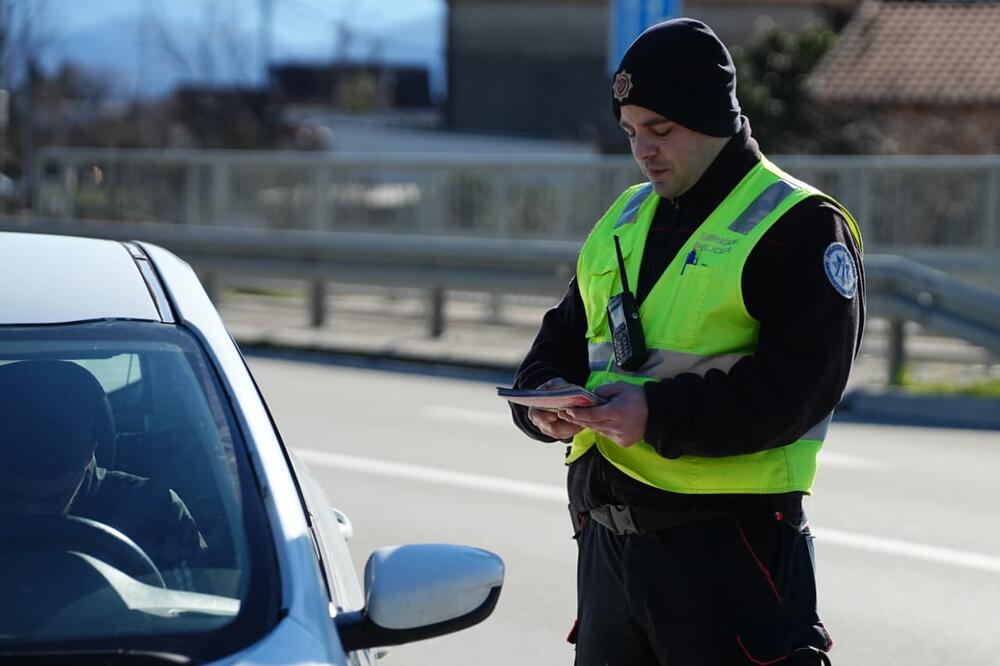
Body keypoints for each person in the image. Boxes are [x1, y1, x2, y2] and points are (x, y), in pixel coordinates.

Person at [509, 18, 864, 666]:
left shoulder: (800, 226)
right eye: (630, 132)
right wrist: (542, 405)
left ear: (713, 118)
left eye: (661, 129)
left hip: (730, 554)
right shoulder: (625, 215)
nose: (643, 149)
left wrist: (658, 414)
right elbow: (561, 337)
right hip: (609, 552)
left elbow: (799, 390)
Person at [0, 359, 207, 588]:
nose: (32, 514)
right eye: (10, 498)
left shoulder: (156, 514)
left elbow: (203, 606)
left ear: (89, 454)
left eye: (51, 498)